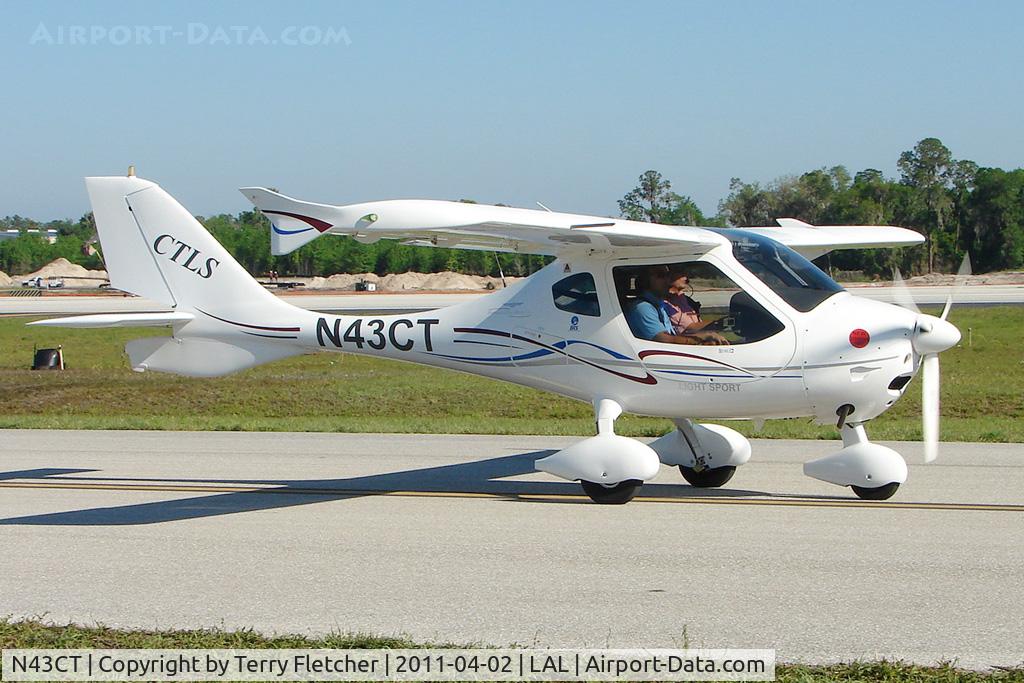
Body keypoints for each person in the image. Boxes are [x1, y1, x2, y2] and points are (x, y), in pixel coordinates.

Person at [624, 265, 728, 345]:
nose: (667, 280)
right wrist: (700, 338)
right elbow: (664, 339)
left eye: (667, 275)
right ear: (645, 281)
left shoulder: (658, 305)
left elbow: (673, 335)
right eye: (660, 275)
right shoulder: (643, 308)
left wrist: (706, 337)